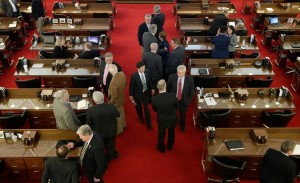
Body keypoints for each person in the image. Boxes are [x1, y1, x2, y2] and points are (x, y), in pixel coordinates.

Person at [86, 91, 120, 162]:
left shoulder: (91, 110)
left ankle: (102, 158)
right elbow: (118, 114)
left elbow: (88, 123)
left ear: (94, 100)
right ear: (103, 98)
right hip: (111, 131)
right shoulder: (111, 107)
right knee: (111, 145)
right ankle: (110, 157)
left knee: (101, 145)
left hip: (99, 132)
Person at [152, 79, 178, 153]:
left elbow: (154, 109)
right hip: (172, 118)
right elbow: (177, 107)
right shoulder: (173, 96)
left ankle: (161, 148)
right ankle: (170, 146)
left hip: (162, 119)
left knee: (161, 134)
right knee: (171, 133)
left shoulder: (154, 99)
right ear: (165, 86)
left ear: (157, 87)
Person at [167, 65, 194, 132]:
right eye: (178, 72)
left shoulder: (190, 80)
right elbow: (168, 88)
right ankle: (173, 123)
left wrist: (188, 101)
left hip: (184, 101)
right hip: (174, 100)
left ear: (185, 72)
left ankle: (182, 126)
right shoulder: (171, 77)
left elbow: (191, 92)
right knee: (172, 113)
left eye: (181, 73)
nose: (179, 74)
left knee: (183, 115)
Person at [129, 61, 154, 130]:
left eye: (144, 68)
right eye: (142, 68)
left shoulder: (147, 72)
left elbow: (149, 82)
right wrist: (131, 95)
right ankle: (141, 117)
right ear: (138, 68)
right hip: (137, 95)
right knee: (138, 108)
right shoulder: (134, 76)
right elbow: (131, 87)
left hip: (146, 93)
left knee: (146, 109)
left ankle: (149, 124)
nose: (144, 69)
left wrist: (152, 88)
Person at [108, 64, 127, 135]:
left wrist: (111, 102)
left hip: (116, 101)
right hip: (122, 98)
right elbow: (125, 84)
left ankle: (119, 130)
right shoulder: (122, 74)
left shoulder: (113, 82)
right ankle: (124, 124)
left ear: (110, 72)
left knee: (117, 115)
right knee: (122, 111)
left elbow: (114, 96)